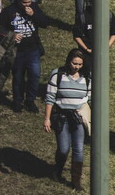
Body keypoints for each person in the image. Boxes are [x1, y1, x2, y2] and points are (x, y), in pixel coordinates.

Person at [0, 0, 48, 113]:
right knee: (18, 76)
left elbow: (45, 23)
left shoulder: (34, 8)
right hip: (16, 50)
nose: (27, 5)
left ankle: (30, 100)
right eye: (25, 3)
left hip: (33, 48)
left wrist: (33, 15)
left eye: (29, 2)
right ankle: (17, 101)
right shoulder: (10, 10)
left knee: (34, 75)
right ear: (18, 1)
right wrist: (11, 34)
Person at [44, 49, 90, 191]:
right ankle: (58, 169)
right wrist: (47, 118)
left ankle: (76, 181)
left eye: (79, 64)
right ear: (68, 61)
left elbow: (90, 97)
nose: (76, 67)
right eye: (74, 63)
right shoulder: (58, 75)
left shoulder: (87, 77)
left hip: (79, 117)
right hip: (62, 117)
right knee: (64, 148)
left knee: (78, 149)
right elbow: (50, 97)